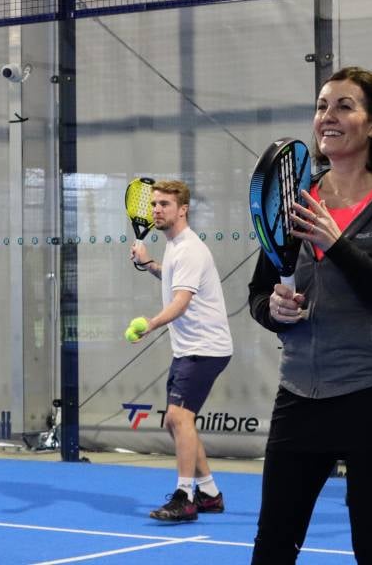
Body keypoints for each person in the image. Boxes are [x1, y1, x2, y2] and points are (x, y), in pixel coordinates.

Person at [248, 66, 372, 564]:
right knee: (271, 547)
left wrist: (337, 243)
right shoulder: (292, 202)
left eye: (343, 106)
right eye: (321, 106)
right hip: (300, 396)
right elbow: (258, 295)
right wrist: (275, 309)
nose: (327, 116)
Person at [129, 179, 233, 522]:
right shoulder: (175, 247)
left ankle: (184, 497)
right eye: (154, 204)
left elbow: (182, 302)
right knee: (178, 422)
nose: (157, 210)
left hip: (205, 347)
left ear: (182, 210)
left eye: (165, 205)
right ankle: (209, 492)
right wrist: (148, 265)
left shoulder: (189, 248)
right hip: (190, 347)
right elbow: (175, 280)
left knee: (178, 417)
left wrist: (151, 323)